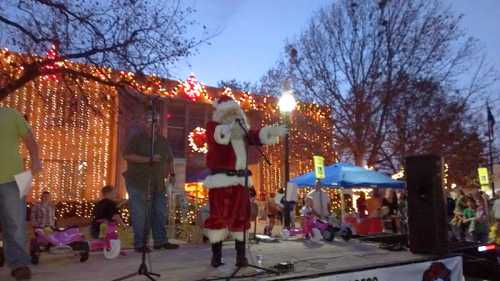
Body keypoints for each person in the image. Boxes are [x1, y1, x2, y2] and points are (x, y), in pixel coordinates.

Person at [203, 95, 286, 267]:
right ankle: (216, 257)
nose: (236, 115)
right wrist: (232, 126)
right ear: (222, 114)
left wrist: (270, 131)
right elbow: (220, 137)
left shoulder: (242, 133)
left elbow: (256, 136)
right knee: (218, 217)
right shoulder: (213, 126)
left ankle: (241, 257)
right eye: (231, 112)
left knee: (241, 217)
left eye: (237, 112)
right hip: (221, 182)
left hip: (240, 181)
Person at [123, 110, 178, 252]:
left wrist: (172, 174)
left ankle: (160, 241)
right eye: (150, 121)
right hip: (138, 183)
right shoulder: (136, 138)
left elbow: (169, 159)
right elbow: (127, 155)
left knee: (159, 212)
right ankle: (140, 244)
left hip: (158, 183)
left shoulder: (162, 140)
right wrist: (149, 159)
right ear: (145, 123)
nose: (153, 124)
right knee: (141, 214)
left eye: (156, 121)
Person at [0, 107, 42, 280]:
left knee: (16, 225)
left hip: (14, 179)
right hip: (14, 180)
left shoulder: (11, 114)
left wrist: (36, 160)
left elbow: (30, 139)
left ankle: (19, 264)